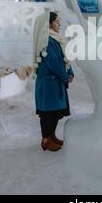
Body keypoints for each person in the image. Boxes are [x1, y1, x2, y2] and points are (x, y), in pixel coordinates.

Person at [34, 12, 74, 152]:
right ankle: (46, 140)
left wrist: (70, 72)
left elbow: (64, 57)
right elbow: (54, 63)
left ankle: (51, 136)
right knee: (48, 114)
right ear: (49, 24)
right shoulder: (46, 40)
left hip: (55, 83)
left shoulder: (55, 39)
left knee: (55, 112)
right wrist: (65, 76)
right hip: (48, 84)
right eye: (57, 22)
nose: (59, 24)